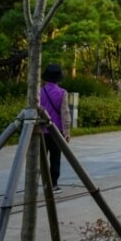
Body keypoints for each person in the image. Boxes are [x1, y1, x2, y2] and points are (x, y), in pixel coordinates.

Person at [40, 63, 70, 193]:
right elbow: (65, 113)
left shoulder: (38, 92)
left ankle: (36, 184)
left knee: (40, 158)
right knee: (55, 158)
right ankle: (54, 184)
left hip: (40, 131)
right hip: (56, 131)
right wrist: (67, 132)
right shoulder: (62, 93)